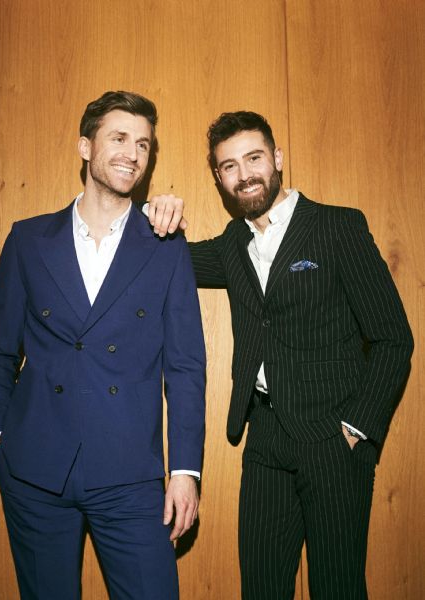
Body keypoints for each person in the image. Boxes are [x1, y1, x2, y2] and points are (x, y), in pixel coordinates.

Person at [147, 111, 414, 599]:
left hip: (333, 440)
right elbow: (166, 257)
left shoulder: (337, 226)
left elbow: (394, 339)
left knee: (337, 588)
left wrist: (356, 428)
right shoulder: (234, 243)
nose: (245, 174)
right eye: (229, 166)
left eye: (254, 158)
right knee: (262, 588)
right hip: (264, 437)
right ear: (219, 178)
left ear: (277, 158)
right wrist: (152, 212)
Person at [0, 90, 206, 600]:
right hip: (34, 471)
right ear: (85, 147)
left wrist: (185, 470)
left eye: (143, 145)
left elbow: (186, 367)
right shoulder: (28, 241)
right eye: (119, 138)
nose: (133, 153)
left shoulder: (165, 245)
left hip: (130, 473)